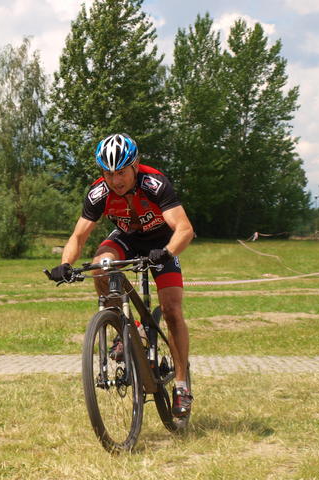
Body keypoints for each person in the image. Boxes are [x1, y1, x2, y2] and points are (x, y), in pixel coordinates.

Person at [48, 133, 195, 418]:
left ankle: (181, 386)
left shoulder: (154, 183)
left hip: (161, 242)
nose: (115, 180)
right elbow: (78, 236)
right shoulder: (99, 193)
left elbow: (184, 229)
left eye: (121, 172)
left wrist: (167, 252)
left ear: (135, 165)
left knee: (172, 309)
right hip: (126, 238)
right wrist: (65, 264)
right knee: (100, 266)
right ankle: (126, 327)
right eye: (108, 173)